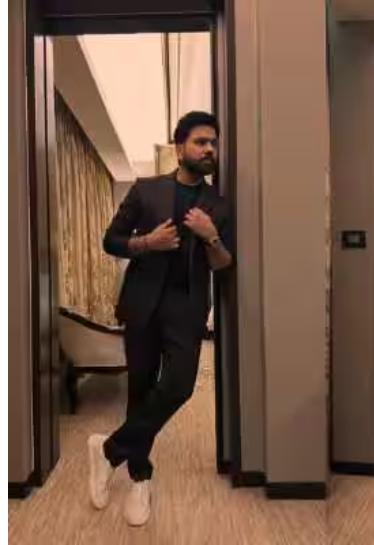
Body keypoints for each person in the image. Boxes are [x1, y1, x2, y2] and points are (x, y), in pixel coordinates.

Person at [87, 111, 233, 525]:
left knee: (179, 386)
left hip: (187, 307)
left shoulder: (218, 206)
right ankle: (140, 477)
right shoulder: (147, 190)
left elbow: (224, 263)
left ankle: (108, 450)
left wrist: (210, 235)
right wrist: (147, 242)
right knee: (140, 388)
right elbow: (111, 240)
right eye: (201, 142)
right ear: (180, 147)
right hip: (143, 302)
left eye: (213, 143)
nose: (209, 150)